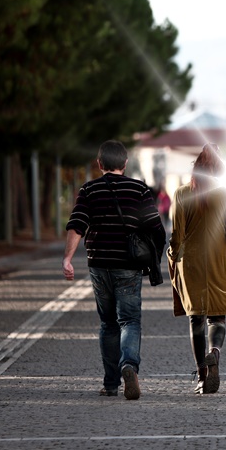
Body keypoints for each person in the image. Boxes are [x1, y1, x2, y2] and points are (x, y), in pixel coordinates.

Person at [62, 140, 166, 400]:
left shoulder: (89, 190)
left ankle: (111, 384)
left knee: (108, 323)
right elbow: (156, 228)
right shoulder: (139, 189)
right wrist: (155, 261)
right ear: (125, 164)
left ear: (100, 164)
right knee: (129, 320)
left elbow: (77, 225)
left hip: (98, 264)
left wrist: (67, 259)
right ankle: (129, 365)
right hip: (128, 265)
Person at [167, 144, 226, 395]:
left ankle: (201, 374)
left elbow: (177, 233)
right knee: (218, 315)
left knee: (196, 318)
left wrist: (172, 254)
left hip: (191, 263)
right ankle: (215, 353)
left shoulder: (181, 193)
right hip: (220, 258)